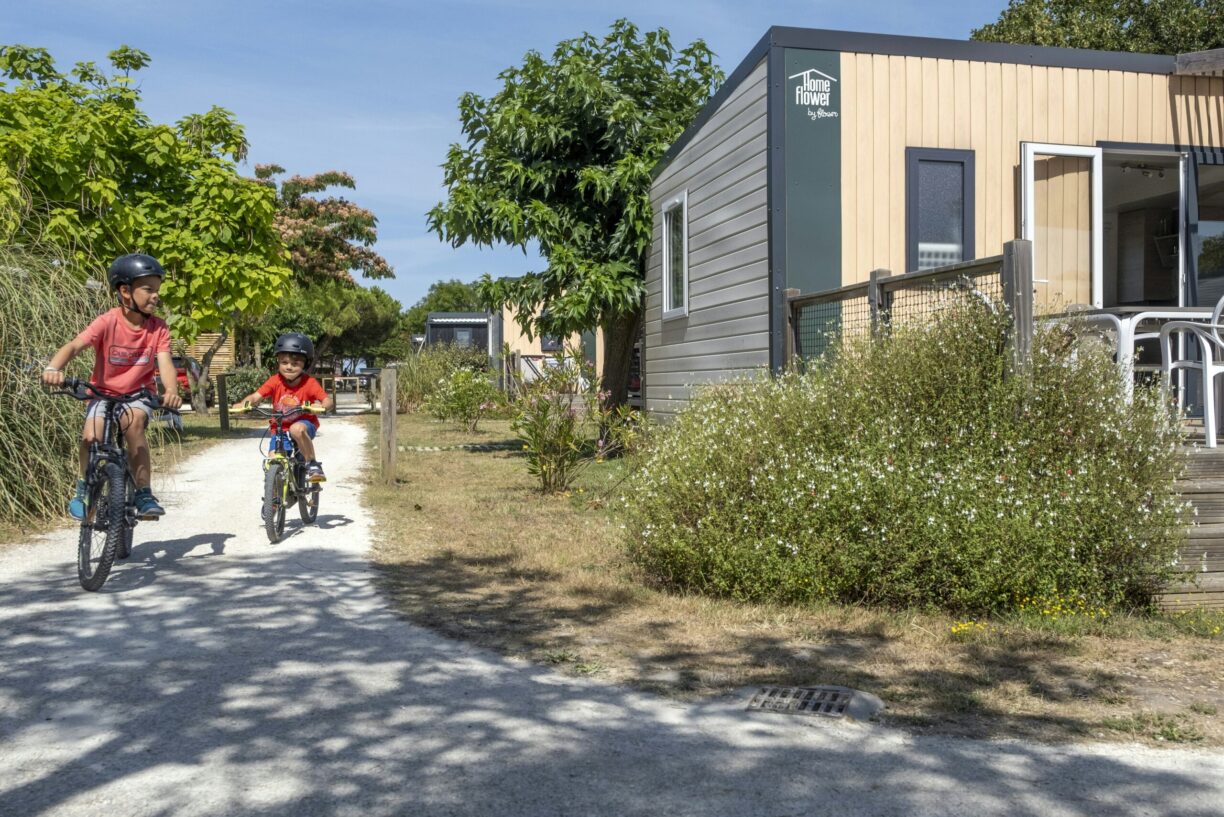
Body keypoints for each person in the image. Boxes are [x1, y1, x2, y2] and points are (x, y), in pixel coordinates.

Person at [41, 254, 183, 520]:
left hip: (138, 395)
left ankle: (143, 492)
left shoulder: (158, 328)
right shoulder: (108, 321)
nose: (155, 296)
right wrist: (53, 368)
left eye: (157, 290)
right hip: (103, 394)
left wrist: (171, 391)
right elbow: (75, 345)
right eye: (148, 289)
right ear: (125, 291)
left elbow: (165, 362)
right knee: (90, 436)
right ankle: (84, 488)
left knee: (134, 424)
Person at [232, 333, 332, 482]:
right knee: (273, 461)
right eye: (284, 362)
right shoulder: (275, 381)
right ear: (278, 362)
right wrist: (244, 404)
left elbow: (328, 401)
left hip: (304, 426)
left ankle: (312, 464)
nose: (289, 367)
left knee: (296, 429)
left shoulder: (309, 383)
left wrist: (320, 406)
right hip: (280, 429)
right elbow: (255, 396)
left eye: (295, 364)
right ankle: (273, 495)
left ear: (305, 364)